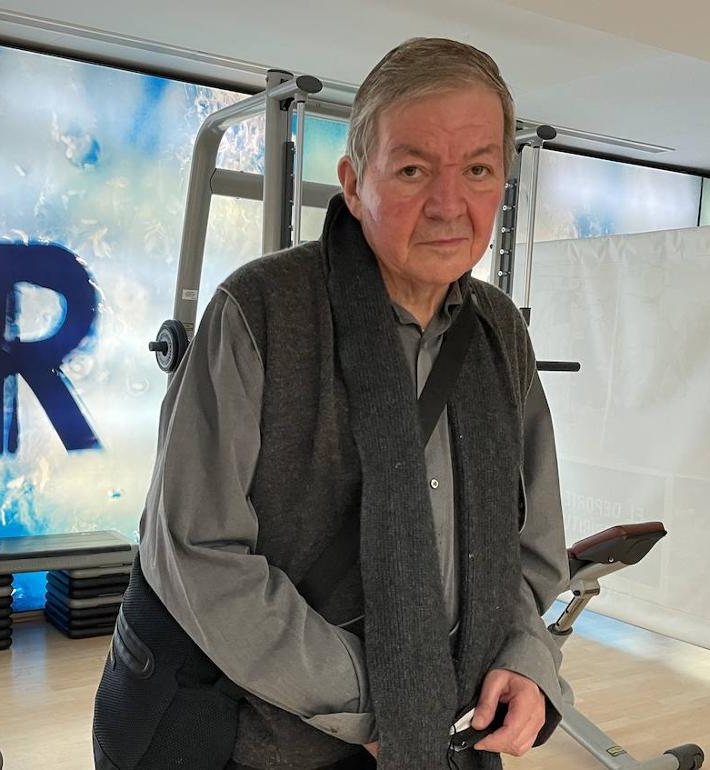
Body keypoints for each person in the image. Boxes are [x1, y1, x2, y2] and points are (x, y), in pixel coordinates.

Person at [95, 37, 568, 770]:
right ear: (353, 182)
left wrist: (528, 658)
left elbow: (531, 550)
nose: (450, 203)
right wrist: (386, 699)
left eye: (477, 170)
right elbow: (197, 552)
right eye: (412, 169)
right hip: (258, 742)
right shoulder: (261, 312)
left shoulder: (500, 333)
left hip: (443, 737)